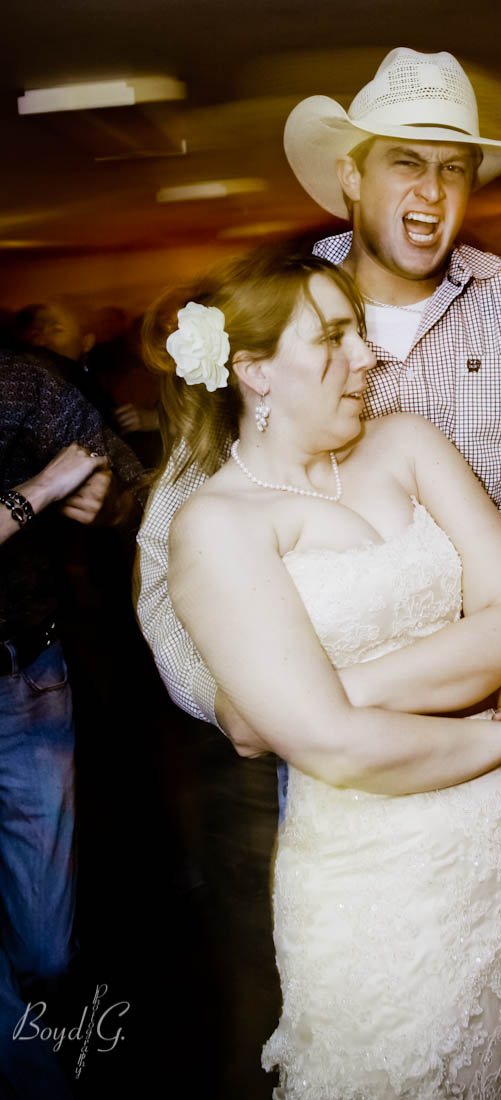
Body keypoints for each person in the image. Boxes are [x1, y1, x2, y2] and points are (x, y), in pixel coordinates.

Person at [145, 245, 501, 1097]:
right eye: (333, 339)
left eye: (360, 334)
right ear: (254, 371)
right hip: (371, 883)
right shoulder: (217, 526)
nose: (366, 357)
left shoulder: (408, 443)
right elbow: (339, 755)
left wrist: (330, 698)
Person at [137, 49, 501, 843]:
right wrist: (226, 698)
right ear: (351, 175)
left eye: (455, 168)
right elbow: (171, 558)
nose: (433, 191)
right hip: (333, 764)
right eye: (406, 162)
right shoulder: (275, 318)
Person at [0, 347, 141, 1099]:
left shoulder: (23, 381)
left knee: (49, 947)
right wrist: (39, 489)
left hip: (26, 679)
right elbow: (51, 481)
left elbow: (130, 485)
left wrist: (106, 498)